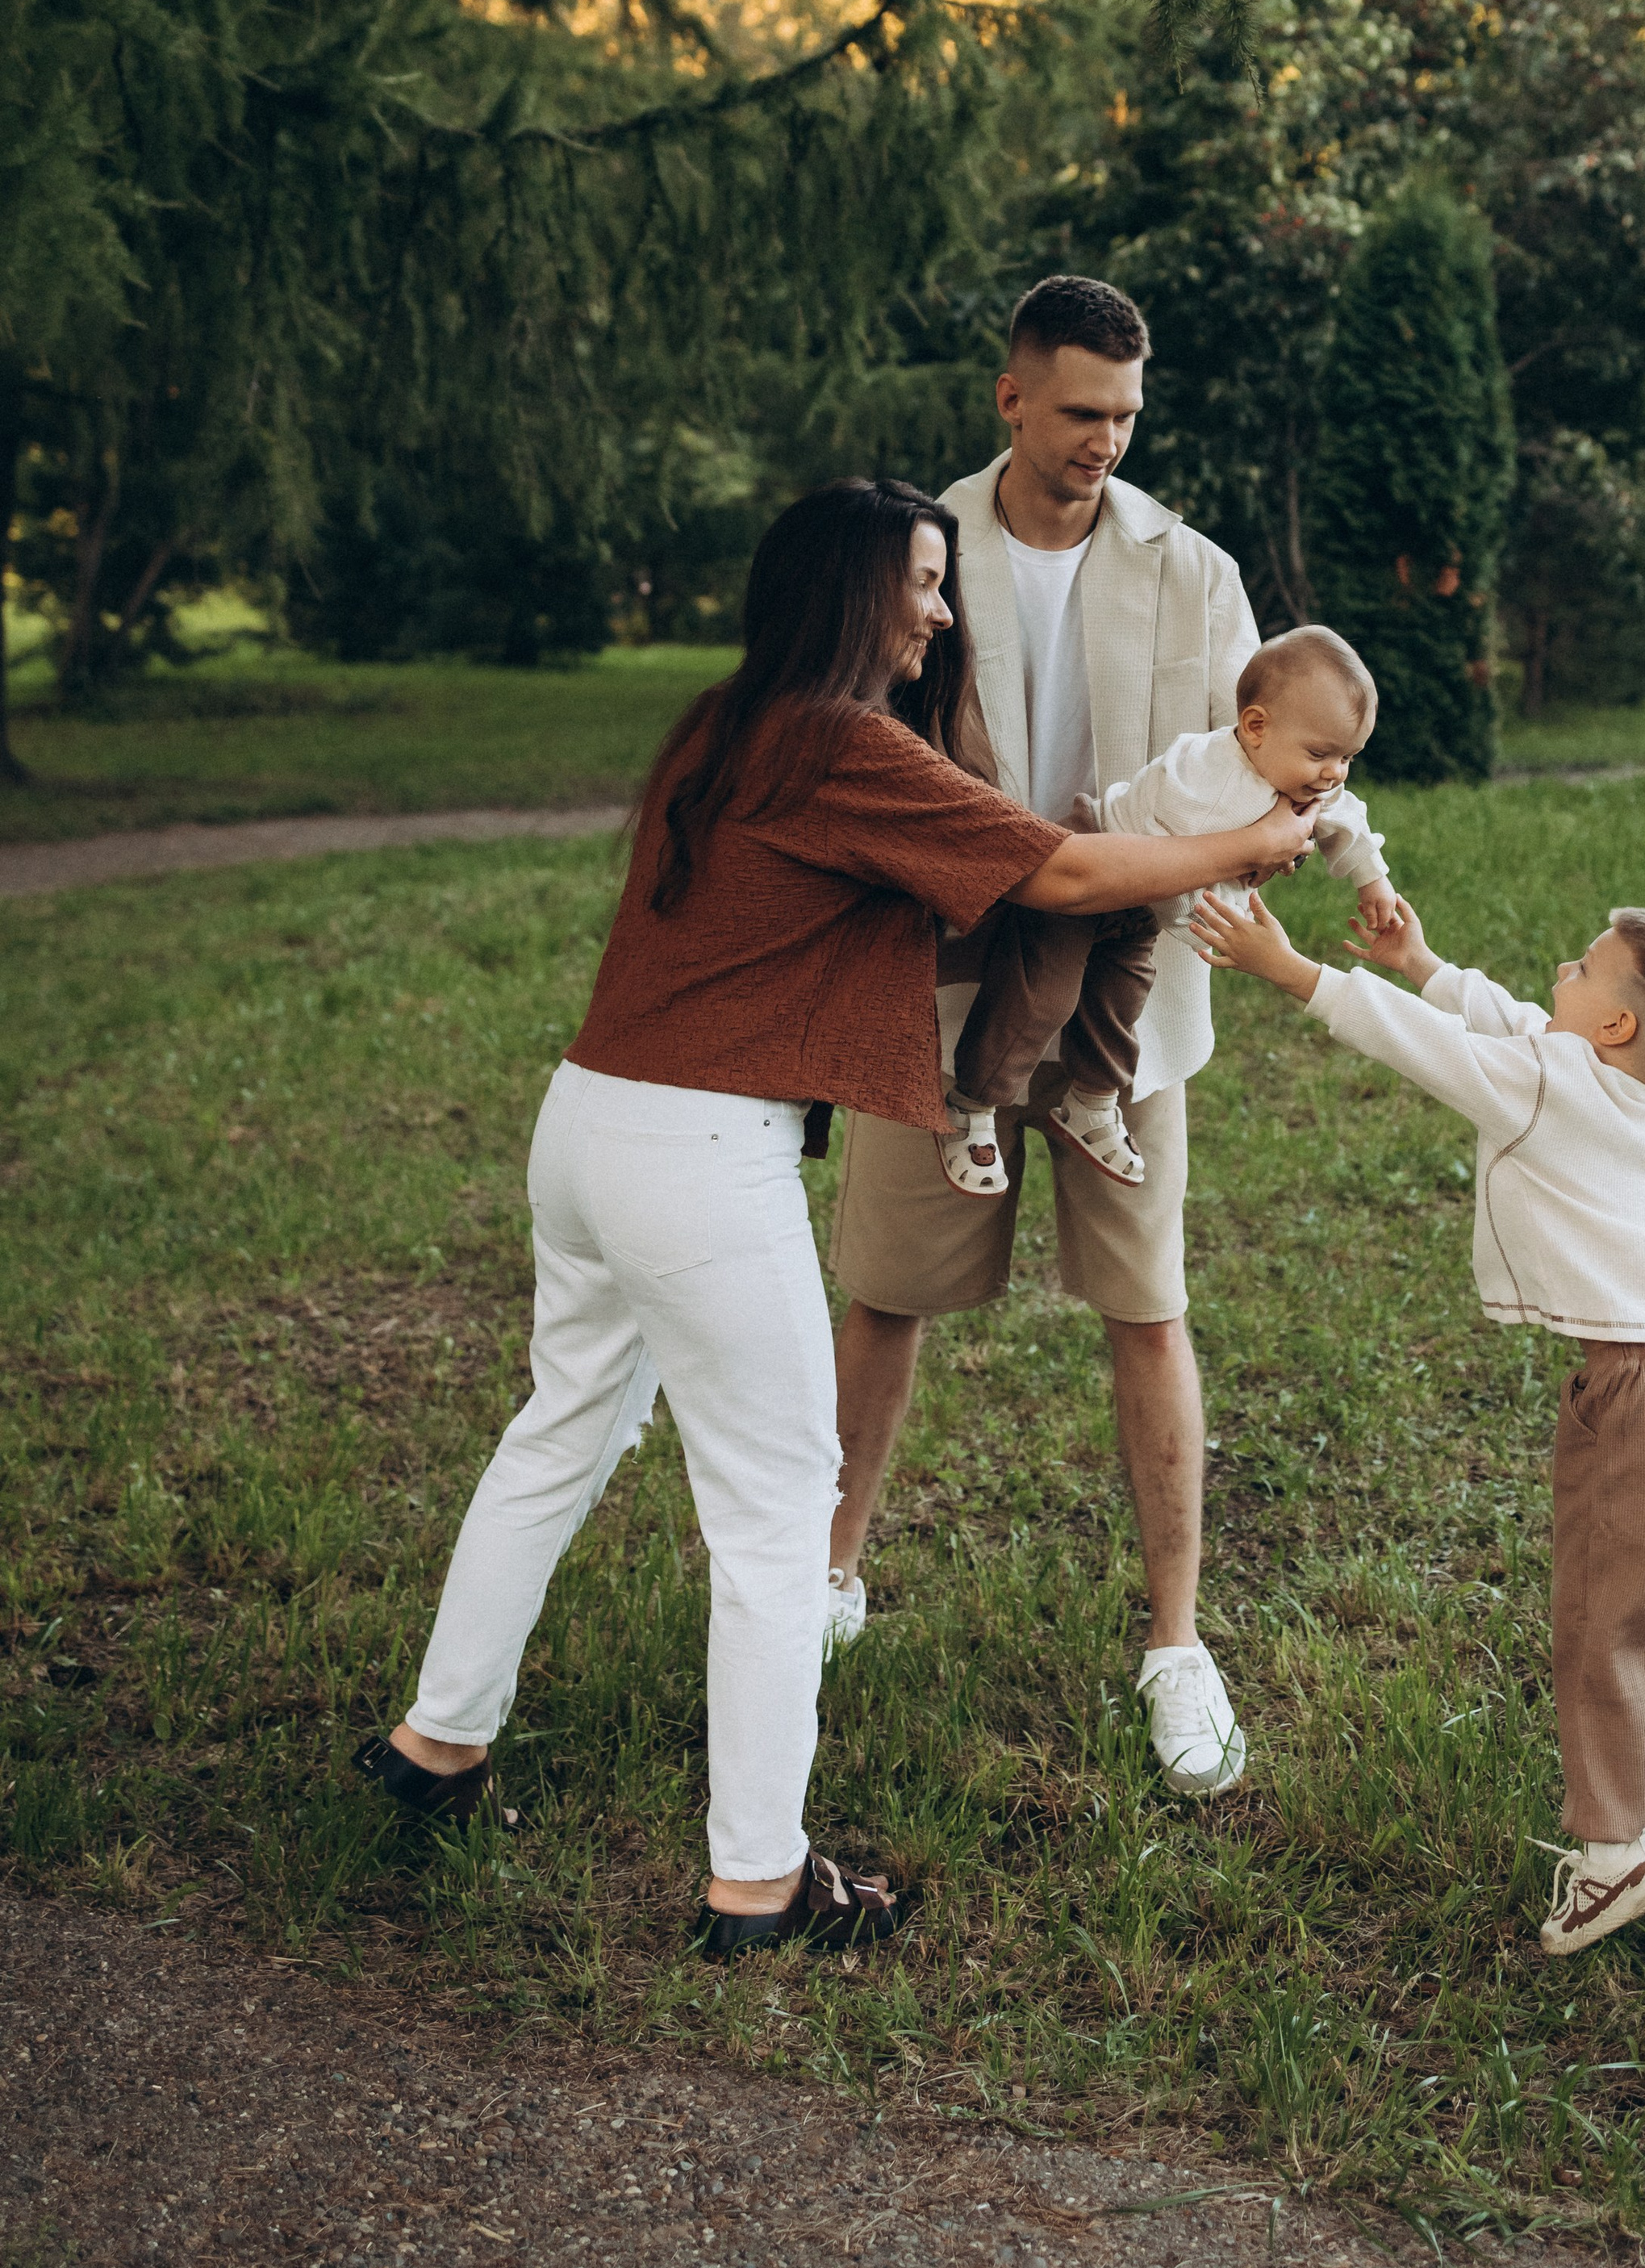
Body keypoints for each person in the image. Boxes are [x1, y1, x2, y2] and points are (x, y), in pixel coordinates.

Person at [352, 478, 1313, 1960]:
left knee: (558, 1434)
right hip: (699, 1160)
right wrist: (1236, 849)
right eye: (921, 583)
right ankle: (758, 1882)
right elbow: (1057, 871)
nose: (941, 610)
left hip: (589, 1122)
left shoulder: (728, 723)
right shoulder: (842, 745)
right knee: (778, 1515)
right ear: (848, 590)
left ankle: (438, 1742)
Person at [825, 276, 1394, 1801]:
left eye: (1128, 417)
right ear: (1010, 397)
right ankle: (825, 1580)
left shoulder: (1196, 574)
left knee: (1150, 1311)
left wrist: (1315, 853)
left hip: (1126, 1011)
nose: (1106, 441)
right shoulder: (916, 552)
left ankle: (1177, 1645)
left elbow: (1282, 763)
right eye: (1081, 412)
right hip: (939, 989)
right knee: (885, 1299)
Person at [1192, 879, 1645, 1958]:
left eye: (1582, 969)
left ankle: (1612, 1856)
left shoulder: (1546, 1081)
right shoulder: (1627, 1087)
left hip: (1636, 1392)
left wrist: (1292, 972)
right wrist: (1422, 961)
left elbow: (1432, 1048)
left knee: (1602, 1618)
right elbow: (1518, 1024)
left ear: (1616, 1023)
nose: (1560, 976)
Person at [938, 626, 1394, 1196]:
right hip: (1093, 865)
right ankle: (971, 1104)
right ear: (1256, 727)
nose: (1334, 773)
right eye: (1321, 754)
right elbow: (1177, 877)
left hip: (1136, 905)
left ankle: (1091, 1101)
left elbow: (1345, 813)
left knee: (1123, 996)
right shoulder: (1202, 778)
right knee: (1042, 994)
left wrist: (1372, 880)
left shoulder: (1298, 776)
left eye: (1348, 757)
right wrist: (1219, 929)